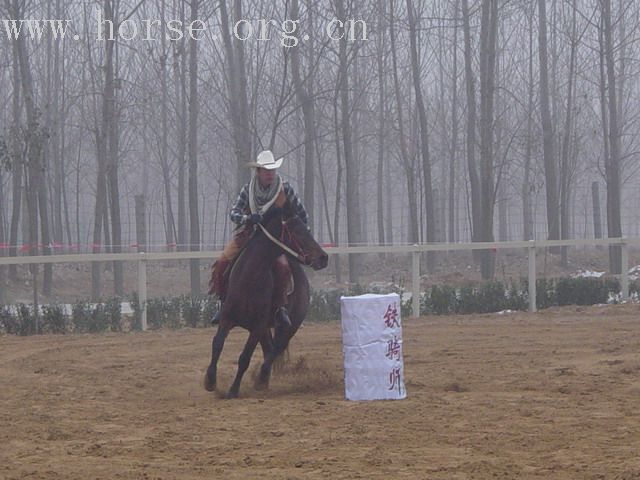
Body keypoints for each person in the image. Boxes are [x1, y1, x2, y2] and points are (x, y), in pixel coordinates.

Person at [209, 150, 309, 327]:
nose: (270, 173)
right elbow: (234, 213)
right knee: (222, 262)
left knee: (283, 267)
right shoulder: (248, 189)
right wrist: (248, 219)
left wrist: (302, 236)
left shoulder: (284, 189)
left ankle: (280, 308)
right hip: (249, 236)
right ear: (258, 172)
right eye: (266, 170)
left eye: (272, 170)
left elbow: (301, 214)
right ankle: (223, 303)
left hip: (276, 241)